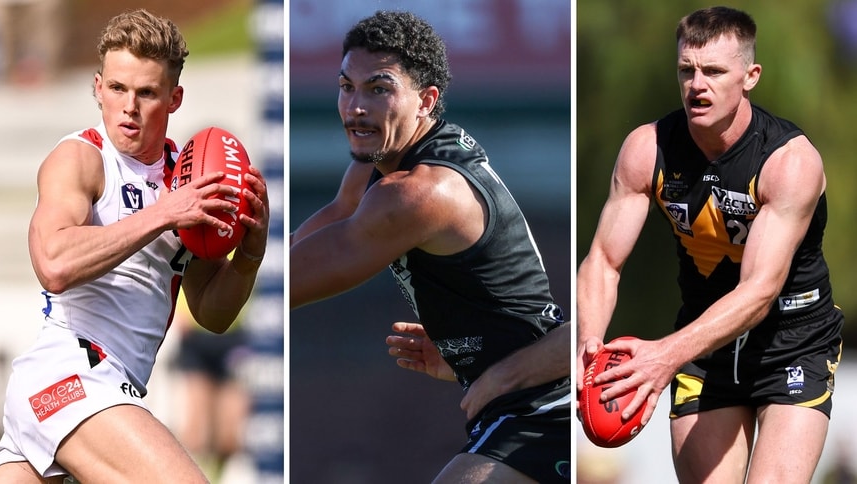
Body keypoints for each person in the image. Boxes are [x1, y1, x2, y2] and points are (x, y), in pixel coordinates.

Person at [290, 10, 570, 484]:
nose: (355, 107)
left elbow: (286, 282)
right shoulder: (381, 162)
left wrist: (219, 248)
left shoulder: (417, 194)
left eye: (378, 89)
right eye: (346, 86)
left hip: (544, 406)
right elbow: (308, 240)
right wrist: (473, 352)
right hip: (517, 399)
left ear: (426, 100)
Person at [0, 9, 269, 483]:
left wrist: (248, 256)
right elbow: (53, 264)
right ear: (97, 87)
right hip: (68, 375)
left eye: (146, 93)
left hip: (101, 388)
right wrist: (162, 213)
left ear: (174, 98)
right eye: (117, 88)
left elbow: (212, 313)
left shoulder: (186, 178)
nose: (128, 107)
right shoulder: (81, 158)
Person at [577, 6, 843, 483]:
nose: (697, 85)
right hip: (703, 346)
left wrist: (663, 356)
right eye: (687, 70)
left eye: (714, 72)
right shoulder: (647, 149)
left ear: (750, 76)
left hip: (792, 342)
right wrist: (587, 347)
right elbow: (603, 260)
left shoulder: (788, 162)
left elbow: (758, 291)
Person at [170, 292, 250, 482]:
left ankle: (213, 478)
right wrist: (179, 312)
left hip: (233, 337)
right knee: (197, 433)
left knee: (229, 439)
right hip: (196, 335)